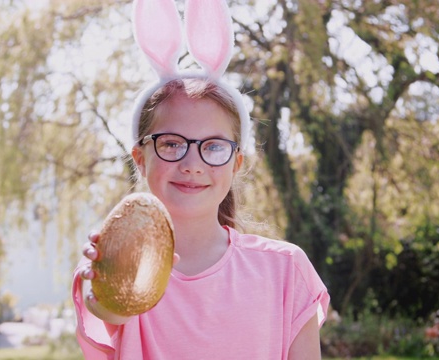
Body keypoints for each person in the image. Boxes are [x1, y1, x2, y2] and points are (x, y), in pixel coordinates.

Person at [72, 0, 329, 359]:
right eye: (172, 144)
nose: (192, 163)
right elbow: (110, 307)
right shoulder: (113, 269)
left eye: (213, 147)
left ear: (236, 162)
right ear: (140, 159)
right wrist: (110, 269)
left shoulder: (285, 269)